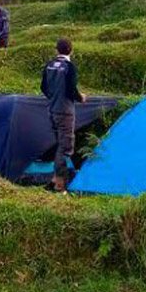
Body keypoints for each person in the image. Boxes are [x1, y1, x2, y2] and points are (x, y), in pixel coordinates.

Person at [40, 38, 86, 192]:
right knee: (65, 147)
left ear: (56, 50)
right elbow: (71, 90)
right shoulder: (69, 67)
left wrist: (54, 97)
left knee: (59, 144)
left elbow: (43, 87)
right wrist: (81, 98)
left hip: (52, 110)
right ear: (71, 51)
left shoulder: (49, 66)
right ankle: (59, 184)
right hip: (65, 111)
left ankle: (54, 180)